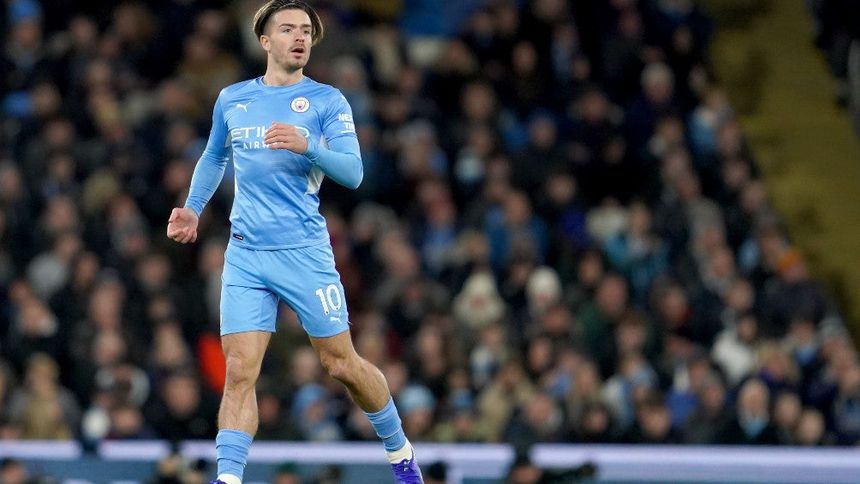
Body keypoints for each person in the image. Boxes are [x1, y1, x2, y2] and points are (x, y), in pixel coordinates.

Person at [165, 1, 423, 483]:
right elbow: (215, 157)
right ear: (265, 41)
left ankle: (400, 451)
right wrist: (193, 208)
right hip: (246, 254)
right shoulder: (233, 99)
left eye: (306, 30)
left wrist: (309, 146)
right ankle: (228, 478)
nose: (300, 37)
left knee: (340, 364)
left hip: (304, 254)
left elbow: (354, 173)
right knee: (240, 370)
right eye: (288, 29)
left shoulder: (327, 101)